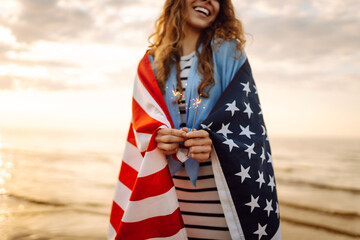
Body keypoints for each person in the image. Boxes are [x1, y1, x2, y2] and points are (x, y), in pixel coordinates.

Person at [109, 0, 281, 239]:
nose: (209, 1)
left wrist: (214, 140)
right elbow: (142, 124)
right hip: (169, 199)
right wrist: (158, 135)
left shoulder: (230, 54)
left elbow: (248, 127)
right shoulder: (151, 63)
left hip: (219, 198)